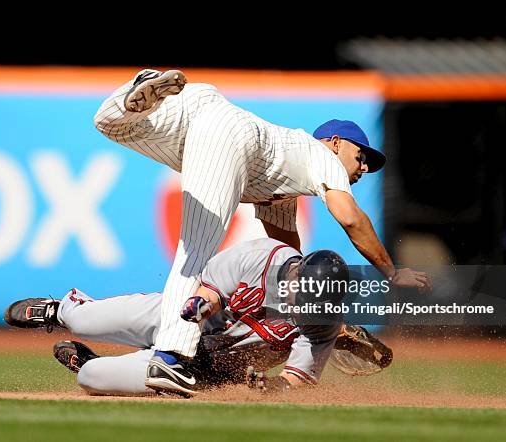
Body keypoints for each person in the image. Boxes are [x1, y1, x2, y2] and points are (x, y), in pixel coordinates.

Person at [93, 69, 429, 395]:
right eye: (361, 156)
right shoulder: (322, 156)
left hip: (201, 108)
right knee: (195, 250)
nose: (365, 167)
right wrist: (391, 272)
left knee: (113, 125)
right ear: (336, 143)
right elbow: (352, 218)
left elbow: (286, 259)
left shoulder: (284, 187)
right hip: (231, 133)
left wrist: (317, 311)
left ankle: (144, 85)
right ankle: (169, 357)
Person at [5, 238, 393, 396]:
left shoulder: (319, 323)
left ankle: (96, 364)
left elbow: (294, 383)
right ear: (297, 272)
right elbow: (207, 291)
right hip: (175, 321)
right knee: (83, 322)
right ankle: (60, 308)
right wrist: (201, 305)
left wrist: (268, 387)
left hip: (200, 367)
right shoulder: (263, 256)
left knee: (91, 379)